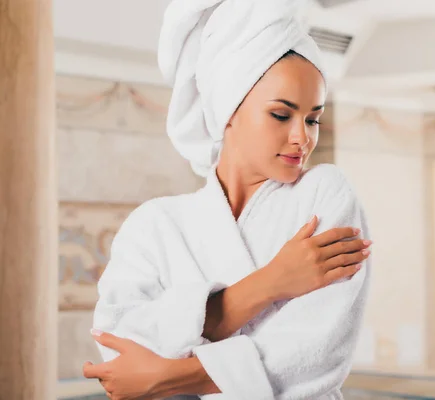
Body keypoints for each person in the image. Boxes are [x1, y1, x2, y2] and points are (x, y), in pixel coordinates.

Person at [82, 0, 372, 399]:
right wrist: (270, 283)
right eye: (281, 115)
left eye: (312, 118)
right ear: (227, 109)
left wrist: (167, 375)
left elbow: (318, 353)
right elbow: (117, 344)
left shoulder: (324, 193)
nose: (302, 137)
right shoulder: (156, 224)